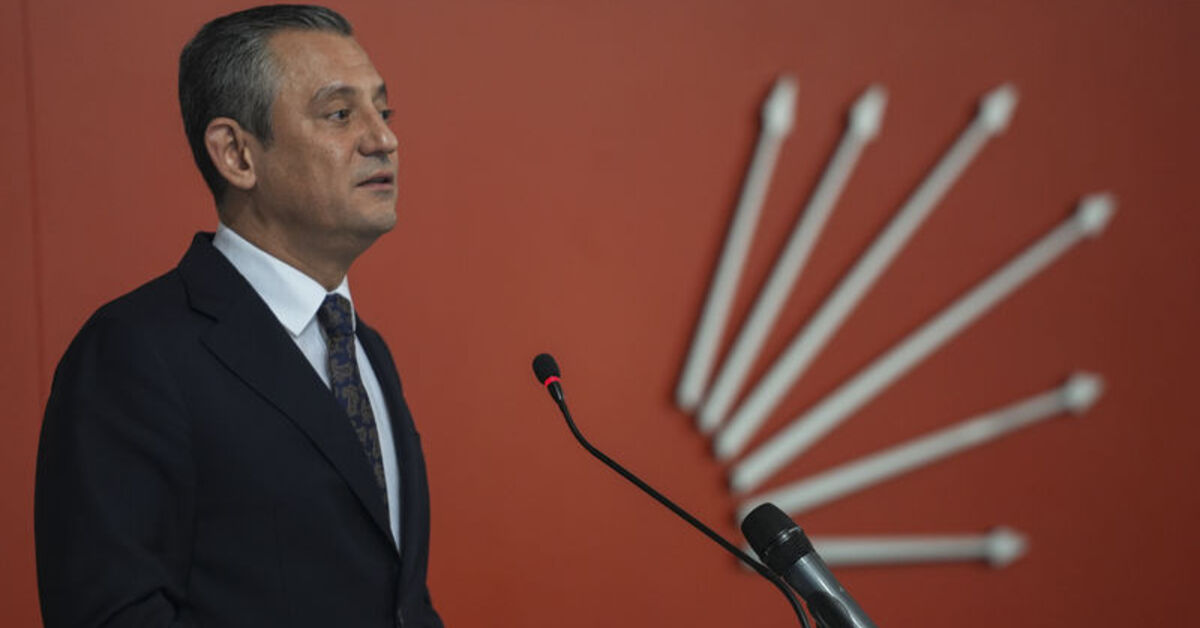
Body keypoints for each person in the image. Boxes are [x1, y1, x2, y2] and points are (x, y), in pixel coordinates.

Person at [34, 5, 443, 627]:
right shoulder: (134, 354)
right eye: (340, 114)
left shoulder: (366, 351)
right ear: (236, 155)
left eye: (382, 112)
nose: (383, 139)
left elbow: (399, 604)